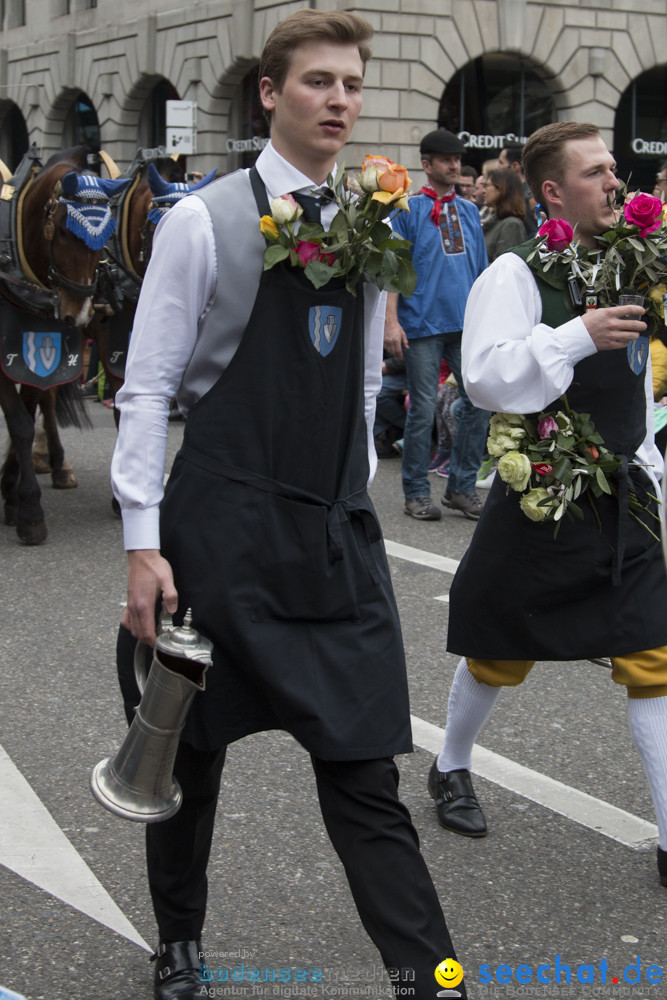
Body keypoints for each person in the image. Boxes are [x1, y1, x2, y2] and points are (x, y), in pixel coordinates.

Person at [110, 10, 468, 1000]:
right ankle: (177, 942)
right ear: (271, 94)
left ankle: (433, 980)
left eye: (351, 84)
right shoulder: (205, 220)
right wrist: (144, 543)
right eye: (318, 82)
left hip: (326, 531)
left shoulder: (371, 219)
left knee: (366, 775)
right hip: (217, 529)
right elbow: (145, 390)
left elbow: (357, 387)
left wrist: (352, 498)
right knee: (191, 749)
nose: (339, 101)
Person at [429, 121, 667, 891]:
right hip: (544, 487)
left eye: (615, 169)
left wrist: (651, 466)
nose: (615, 183)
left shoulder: (629, 264)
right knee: (498, 652)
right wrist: (574, 336)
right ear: (553, 192)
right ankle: (450, 763)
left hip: (622, 493)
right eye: (596, 172)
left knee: (653, 660)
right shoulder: (515, 273)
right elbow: (486, 379)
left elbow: (632, 381)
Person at [385, 128, 489, 521]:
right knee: (422, 409)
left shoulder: (469, 211)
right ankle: (416, 492)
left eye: (457, 159)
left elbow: (480, 271)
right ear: (426, 165)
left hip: (466, 325)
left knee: (480, 402)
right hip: (421, 326)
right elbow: (394, 270)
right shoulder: (407, 209)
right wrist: (391, 322)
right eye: (446, 160)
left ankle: (461, 487)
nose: (454, 165)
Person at [481, 168, 527, 262]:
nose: (483, 191)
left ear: (501, 188)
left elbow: (504, 267)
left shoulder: (512, 225)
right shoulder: (496, 222)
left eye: (486, 186)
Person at [497, 141, 537, 235]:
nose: (497, 168)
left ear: (515, 166)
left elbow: (532, 234)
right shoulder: (508, 194)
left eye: (501, 163)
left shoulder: (530, 198)